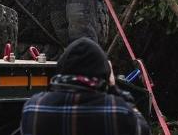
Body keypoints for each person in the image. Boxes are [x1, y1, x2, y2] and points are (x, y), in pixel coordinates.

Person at [21, 37, 151, 135]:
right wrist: (113, 87)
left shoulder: (33, 107)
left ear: (62, 67)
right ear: (104, 72)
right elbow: (143, 130)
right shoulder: (119, 111)